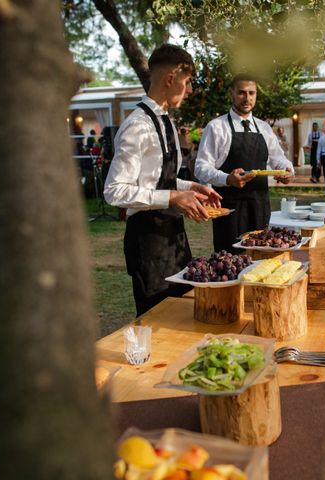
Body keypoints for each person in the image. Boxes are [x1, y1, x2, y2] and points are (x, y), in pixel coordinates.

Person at [103, 44, 221, 317]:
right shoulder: (137, 127)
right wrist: (172, 197)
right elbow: (115, 191)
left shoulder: (166, 122)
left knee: (182, 316)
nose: (190, 90)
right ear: (171, 79)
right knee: (158, 322)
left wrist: (191, 187)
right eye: (188, 81)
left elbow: (157, 180)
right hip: (148, 243)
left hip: (174, 237)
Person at [195, 74, 294, 253]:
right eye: (241, 93)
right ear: (231, 93)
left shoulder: (264, 128)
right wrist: (227, 178)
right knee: (231, 260)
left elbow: (278, 158)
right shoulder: (216, 127)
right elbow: (201, 167)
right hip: (230, 211)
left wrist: (286, 169)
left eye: (251, 93)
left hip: (260, 206)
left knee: (260, 257)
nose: (247, 98)